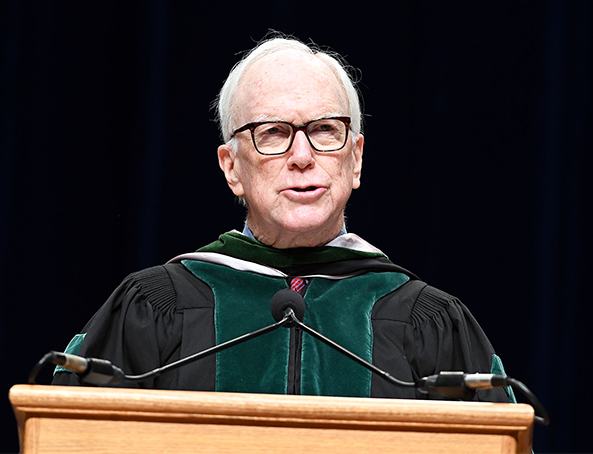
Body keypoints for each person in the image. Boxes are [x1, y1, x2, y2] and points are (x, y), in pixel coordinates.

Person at [53, 36, 513, 402]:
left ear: (355, 161)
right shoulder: (153, 309)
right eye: (272, 132)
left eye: (324, 130)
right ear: (232, 167)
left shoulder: (429, 321)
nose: (302, 156)